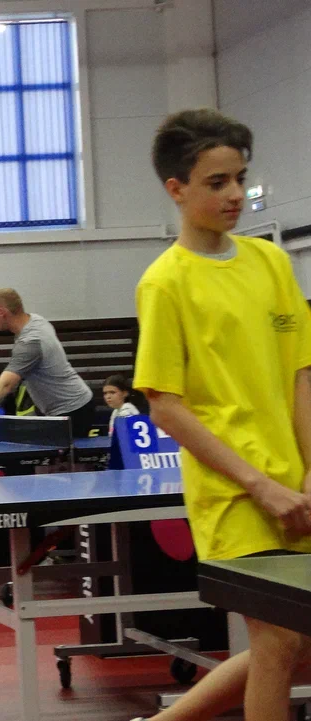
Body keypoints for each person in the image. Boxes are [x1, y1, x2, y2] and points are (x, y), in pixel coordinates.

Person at [130, 109, 311, 721]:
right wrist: (260, 485)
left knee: (296, 643)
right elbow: (165, 406)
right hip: (234, 494)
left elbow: (300, 376)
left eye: (240, 179)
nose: (235, 194)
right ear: (176, 189)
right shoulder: (165, 283)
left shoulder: (272, 264)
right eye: (217, 182)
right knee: (280, 639)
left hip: (296, 483)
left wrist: (309, 470)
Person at [0, 289, 95, 438]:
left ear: (1, 312)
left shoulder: (30, 343)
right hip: (71, 406)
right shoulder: (36, 320)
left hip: (72, 410)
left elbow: (6, 385)